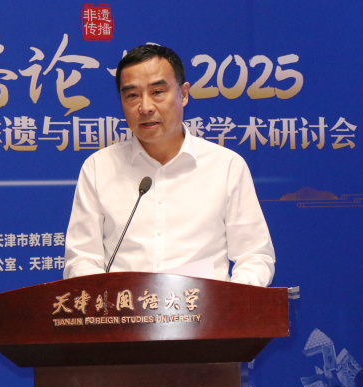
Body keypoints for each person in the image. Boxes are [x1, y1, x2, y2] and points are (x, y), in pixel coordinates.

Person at [63, 44, 275, 287]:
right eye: (132, 95)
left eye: (157, 92)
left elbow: (255, 257)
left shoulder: (226, 166)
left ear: (183, 94)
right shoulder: (98, 168)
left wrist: (229, 301)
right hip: (124, 308)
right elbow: (81, 260)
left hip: (205, 309)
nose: (145, 107)